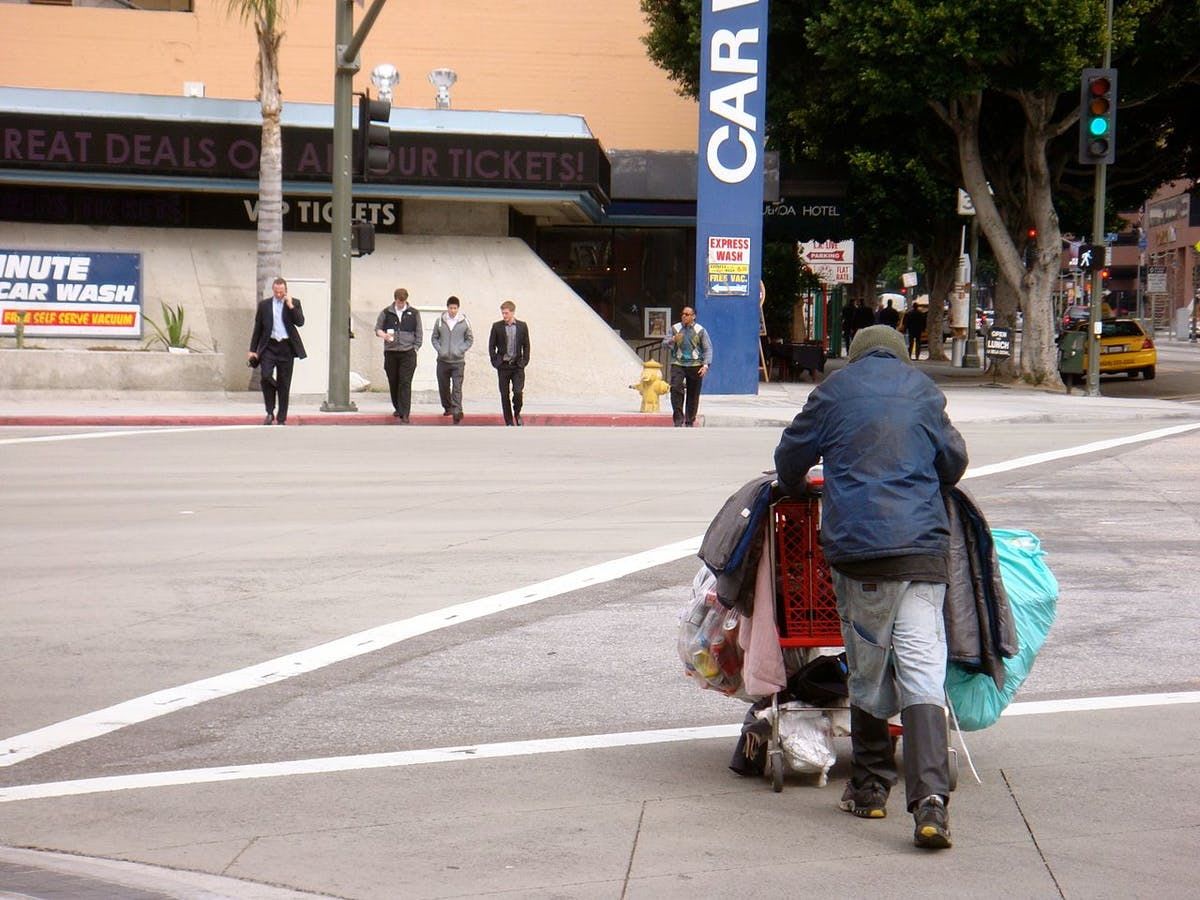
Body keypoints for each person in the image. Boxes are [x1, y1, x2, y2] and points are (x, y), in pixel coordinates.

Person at [774, 324, 968, 850]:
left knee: (867, 663)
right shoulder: (924, 389)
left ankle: (871, 786)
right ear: (901, 355)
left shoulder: (834, 390)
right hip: (924, 552)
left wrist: (794, 486)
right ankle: (930, 800)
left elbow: (790, 458)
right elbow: (953, 463)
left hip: (861, 553)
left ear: (855, 356)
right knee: (923, 669)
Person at [247, 276, 306, 426]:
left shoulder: (294, 303)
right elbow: (258, 328)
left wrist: (291, 305)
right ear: (273, 290)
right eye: (276, 292)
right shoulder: (264, 305)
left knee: (284, 383)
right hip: (269, 346)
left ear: (286, 291)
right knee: (265, 376)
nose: (279, 295)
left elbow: (300, 322)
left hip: (286, 347)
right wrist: (252, 349)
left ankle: (281, 417)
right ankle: (269, 411)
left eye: (281, 292)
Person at [374, 287, 423, 423]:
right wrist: (384, 335)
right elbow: (377, 329)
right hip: (391, 352)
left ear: (406, 300)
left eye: (403, 302)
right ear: (395, 300)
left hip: (408, 352)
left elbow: (419, 332)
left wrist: (416, 348)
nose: (401, 304)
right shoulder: (386, 312)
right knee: (393, 381)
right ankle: (398, 407)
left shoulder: (413, 313)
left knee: (405, 382)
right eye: (398, 302)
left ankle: (405, 413)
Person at [661, 306, 712, 427]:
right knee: (676, 389)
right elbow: (664, 344)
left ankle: (690, 420)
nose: (684, 316)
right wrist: (673, 339)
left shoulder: (700, 330)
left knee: (693, 393)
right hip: (678, 363)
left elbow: (707, 348)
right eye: (683, 314)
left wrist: (705, 365)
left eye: (687, 314)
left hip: (695, 364)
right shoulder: (675, 328)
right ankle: (678, 420)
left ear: (693, 316)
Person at [431, 295, 474, 424]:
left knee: (457, 387)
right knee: (443, 386)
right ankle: (447, 406)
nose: (453, 310)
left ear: (458, 308)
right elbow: (434, 338)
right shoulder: (440, 321)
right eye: (451, 308)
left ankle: (457, 411)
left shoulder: (464, 321)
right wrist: (440, 349)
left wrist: (460, 350)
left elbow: (469, 339)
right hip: (443, 360)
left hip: (458, 361)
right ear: (447, 308)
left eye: (455, 308)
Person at [488, 300, 530, 426]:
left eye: (506, 313)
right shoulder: (497, 326)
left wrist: (524, 361)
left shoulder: (522, 326)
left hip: (517, 366)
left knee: (518, 392)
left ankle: (517, 413)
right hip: (503, 366)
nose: (504, 316)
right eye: (503, 313)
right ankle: (509, 421)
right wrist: (495, 362)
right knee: (504, 394)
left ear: (512, 312)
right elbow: (491, 346)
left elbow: (526, 345)